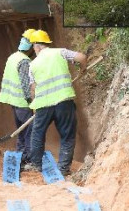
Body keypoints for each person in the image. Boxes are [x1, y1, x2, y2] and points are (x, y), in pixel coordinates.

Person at [25, 30, 87, 176]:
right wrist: (83, 69)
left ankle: (36, 165)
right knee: (67, 135)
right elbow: (82, 57)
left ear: (37, 46)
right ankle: (63, 168)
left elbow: (33, 89)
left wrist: (34, 106)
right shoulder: (61, 52)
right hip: (63, 101)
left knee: (37, 134)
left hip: (43, 105)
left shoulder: (32, 65)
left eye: (33, 46)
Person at [0, 29, 36, 165]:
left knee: (21, 129)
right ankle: (31, 160)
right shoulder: (25, 61)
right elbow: (27, 86)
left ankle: (21, 155)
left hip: (12, 101)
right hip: (22, 102)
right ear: (31, 46)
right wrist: (34, 103)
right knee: (29, 131)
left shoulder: (12, 57)